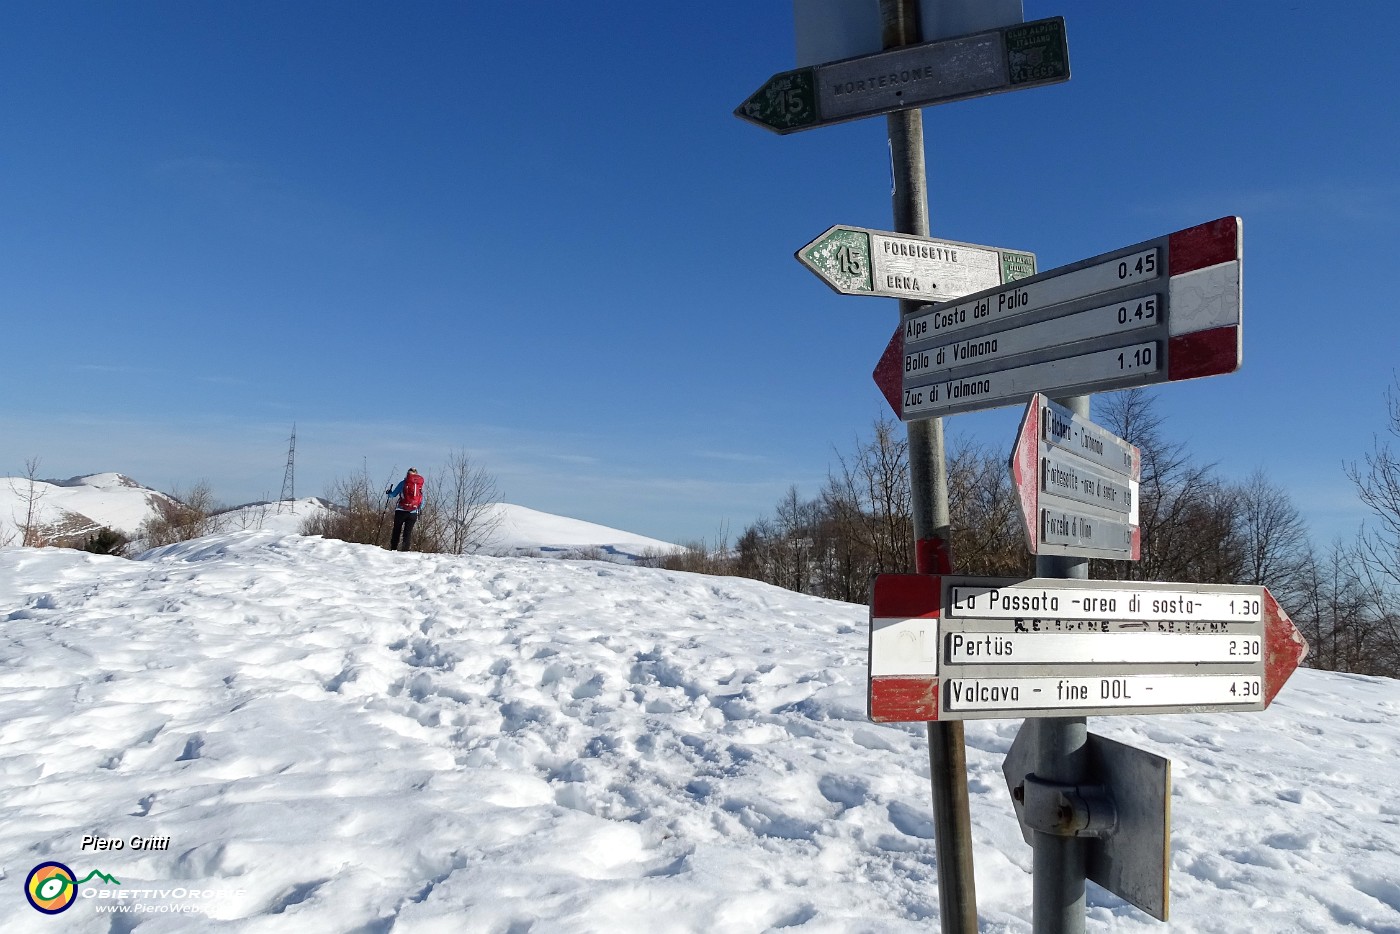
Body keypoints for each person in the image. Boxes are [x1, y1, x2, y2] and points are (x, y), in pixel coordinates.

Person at [385, 468, 425, 551]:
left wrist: (389, 493)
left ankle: (393, 549)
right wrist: (418, 508)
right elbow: (421, 501)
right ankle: (405, 551)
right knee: (407, 533)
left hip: (401, 511)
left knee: (397, 530)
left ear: (407, 474)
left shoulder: (403, 483)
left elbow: (393, 495)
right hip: (413, 512)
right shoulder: (419, 485)